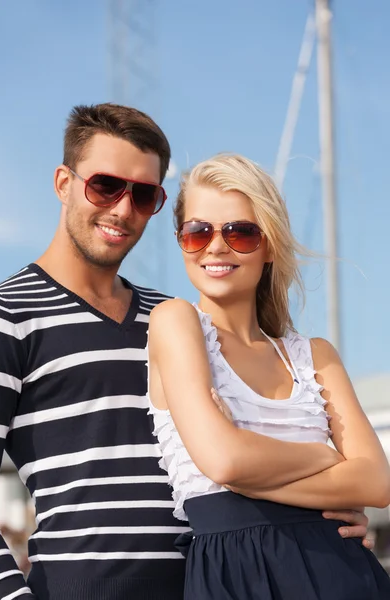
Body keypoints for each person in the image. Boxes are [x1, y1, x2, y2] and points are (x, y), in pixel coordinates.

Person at [0, 105, 373, 600]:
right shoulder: (4, 317)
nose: (123, 209)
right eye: (105, 186)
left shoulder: (181, 320)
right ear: (63, 182)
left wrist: (321, 515)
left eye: (144, 194)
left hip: (210, 583)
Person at [147, 153, 390, 599]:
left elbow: (376, 483)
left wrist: (248, 475)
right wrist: (328, 461)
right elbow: (225, 463)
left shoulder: (314, 355)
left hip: (342, 571)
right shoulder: (174, 322)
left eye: (240, 232)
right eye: (198, 232)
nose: (216, 246)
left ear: (270, 245)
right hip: (234, 574)